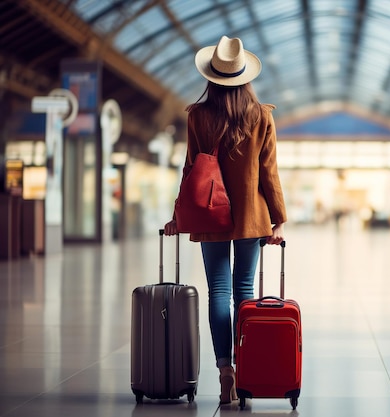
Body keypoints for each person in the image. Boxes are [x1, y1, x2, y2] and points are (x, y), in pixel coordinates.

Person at [163, 36, 287, 405]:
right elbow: (269, 172)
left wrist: (176, 216)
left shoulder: (198, 116)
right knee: (244, 291)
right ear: (245, 76)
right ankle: (246, 367)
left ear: (212, 76)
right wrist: (278, 219)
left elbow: (191, 170)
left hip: (209, 211)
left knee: (218, 291)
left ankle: (225, 372)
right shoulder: (261, 115)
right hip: (251, 217)